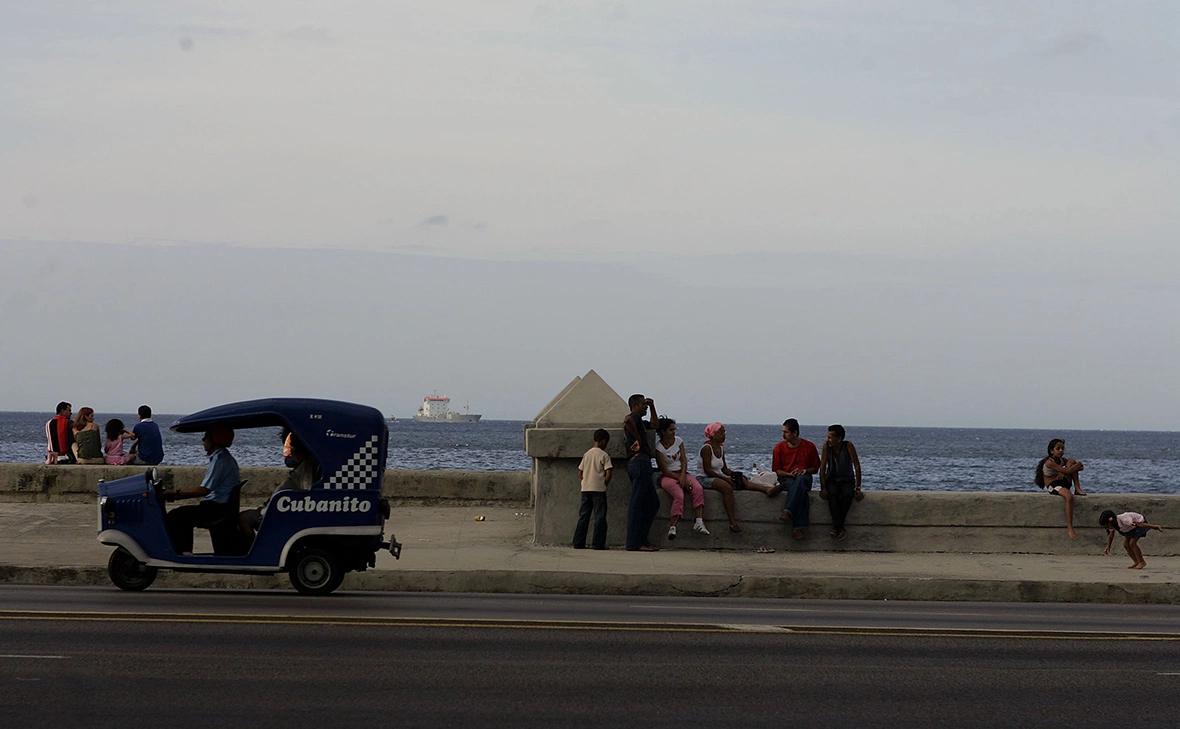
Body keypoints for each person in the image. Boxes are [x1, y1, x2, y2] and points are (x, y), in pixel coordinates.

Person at [162, 425, 240, 554]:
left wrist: (176, 493)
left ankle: (185, 554)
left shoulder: (220, 461)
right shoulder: (222, 458)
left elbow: (204, 490)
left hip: (216, 508)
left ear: (214, 440)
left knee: (177, 515)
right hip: (219, 506)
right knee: (181, 513)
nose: (203, 441)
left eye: (205, 438)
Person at [239, 431, 321, 536]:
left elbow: (306, 494)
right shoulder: (303, 467)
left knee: (244, 518)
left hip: (279, 511)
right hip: (277, 507)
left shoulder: (306, 469)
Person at [698, 422, 773, 534]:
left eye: (724, 432)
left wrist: (735, 474)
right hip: (704, 478)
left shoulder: (721, 448)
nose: (724, 435)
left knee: (741, 481)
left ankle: (766, 489)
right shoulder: (706, 448)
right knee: (727, 488)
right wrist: (725, 479)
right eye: (721, 432)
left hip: (717, 476)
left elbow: (724, 469)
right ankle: (732, 522)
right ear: (713, 434)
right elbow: (708, 470)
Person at [653, 417, 709, 540]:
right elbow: (664, 470)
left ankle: (699, 521)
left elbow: (683, 459)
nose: (674, 432)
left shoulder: (679, 441)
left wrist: (683, 476)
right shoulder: (659, 448)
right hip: (668, 476)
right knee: (679, 495)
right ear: (663, 431)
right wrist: (679, 479)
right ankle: (673, 526)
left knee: (698, 488)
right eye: (670, 430)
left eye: (674, 429)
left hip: (682, 473)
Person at [623, 393, 661, 552]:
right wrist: (638, 438)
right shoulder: (634, 417)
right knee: (637, 504)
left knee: (652, 503)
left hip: (643, 463)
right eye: (643, 404)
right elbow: (628, 420)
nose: (645, 406)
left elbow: (655, 425)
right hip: (639, 462)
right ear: (635, 406)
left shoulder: (641, 421)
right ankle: (633, 543)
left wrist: (653, 407)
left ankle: (642, 539)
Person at [772, 418, 820, 540]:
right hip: (787, 479)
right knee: (801, 492)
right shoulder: (779, 448)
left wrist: (804, 471)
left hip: (804, 477)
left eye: (786, 432)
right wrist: (789, 474)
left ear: (795, 433)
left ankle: (788, 510)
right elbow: (776, 470)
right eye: (783, 431)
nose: (783, 435)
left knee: (801, 481)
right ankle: (798, 528)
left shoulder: (809, 446)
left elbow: (815, 468)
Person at [818, 424, 863, 540]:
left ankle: (837, 526)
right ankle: (840, 527)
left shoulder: (848, 446)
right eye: (828, 437)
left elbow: (857, 466)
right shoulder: (827, 447)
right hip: (832, 479)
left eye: (831, 437)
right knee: (832, 495)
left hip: (847, 479)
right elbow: (822, 467)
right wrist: (823, 487)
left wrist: (858, 487)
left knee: (847, 495)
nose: (828, 440)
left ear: (839, 439)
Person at [1034, 438, 1085, 539]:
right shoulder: (1049, 462)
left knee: (1071, 461)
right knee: (1069, 497)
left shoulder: (1062, 460)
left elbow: (1079, 468)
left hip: (1063, 482)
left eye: (1062, 448)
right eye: (1058, 449)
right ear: (1052, 450)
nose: (1061, 451)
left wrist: (1066, 469)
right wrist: (1073, 467)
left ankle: (1077, 488)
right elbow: (1077, 467)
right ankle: (1070, 528)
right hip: (1053, 485)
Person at [572, 429, 612, 550]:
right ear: (603, 441)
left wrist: (586, 481)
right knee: (599, 517)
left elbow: (580, 472)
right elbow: (608, 472)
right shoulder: (604, 455)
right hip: (598, 489)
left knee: (584, 515)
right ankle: (598, 543)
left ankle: (578, 542)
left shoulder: (587, 454)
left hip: (586, 488)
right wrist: (604, 483)